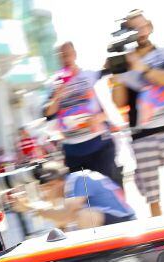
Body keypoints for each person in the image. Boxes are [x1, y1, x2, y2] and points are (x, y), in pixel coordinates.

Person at [111, 9, 164, 216]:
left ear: (150, 27)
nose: (140, 32)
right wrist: (119, 72)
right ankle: (161, 236)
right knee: (152, 196)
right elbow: (118, 102)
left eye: (142, 26)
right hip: (142, 134)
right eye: (133, 29)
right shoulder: (123, 62)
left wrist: (143, 69)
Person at [44, 41, 122, 186]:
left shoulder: (91, 75)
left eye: (68, 54)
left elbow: (113, 105)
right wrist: (56, 96)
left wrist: (99, 117)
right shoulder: (54, 83)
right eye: (61, 56)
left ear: (75, 54)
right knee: (86, 200)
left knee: (109, 191)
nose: (65, 59)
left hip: (99, 145)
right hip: (73, 151)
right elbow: (48, 114)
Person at [12, 165, 135, 230]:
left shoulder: (78, 180)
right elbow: (62, 220)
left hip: (126, 222)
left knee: (84, 216)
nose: (46, 193)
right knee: (62, 222)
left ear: (59, 182)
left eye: (48, 187)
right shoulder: (73, 183)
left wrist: (30, 208)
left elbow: (67, 215)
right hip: (115, 221)